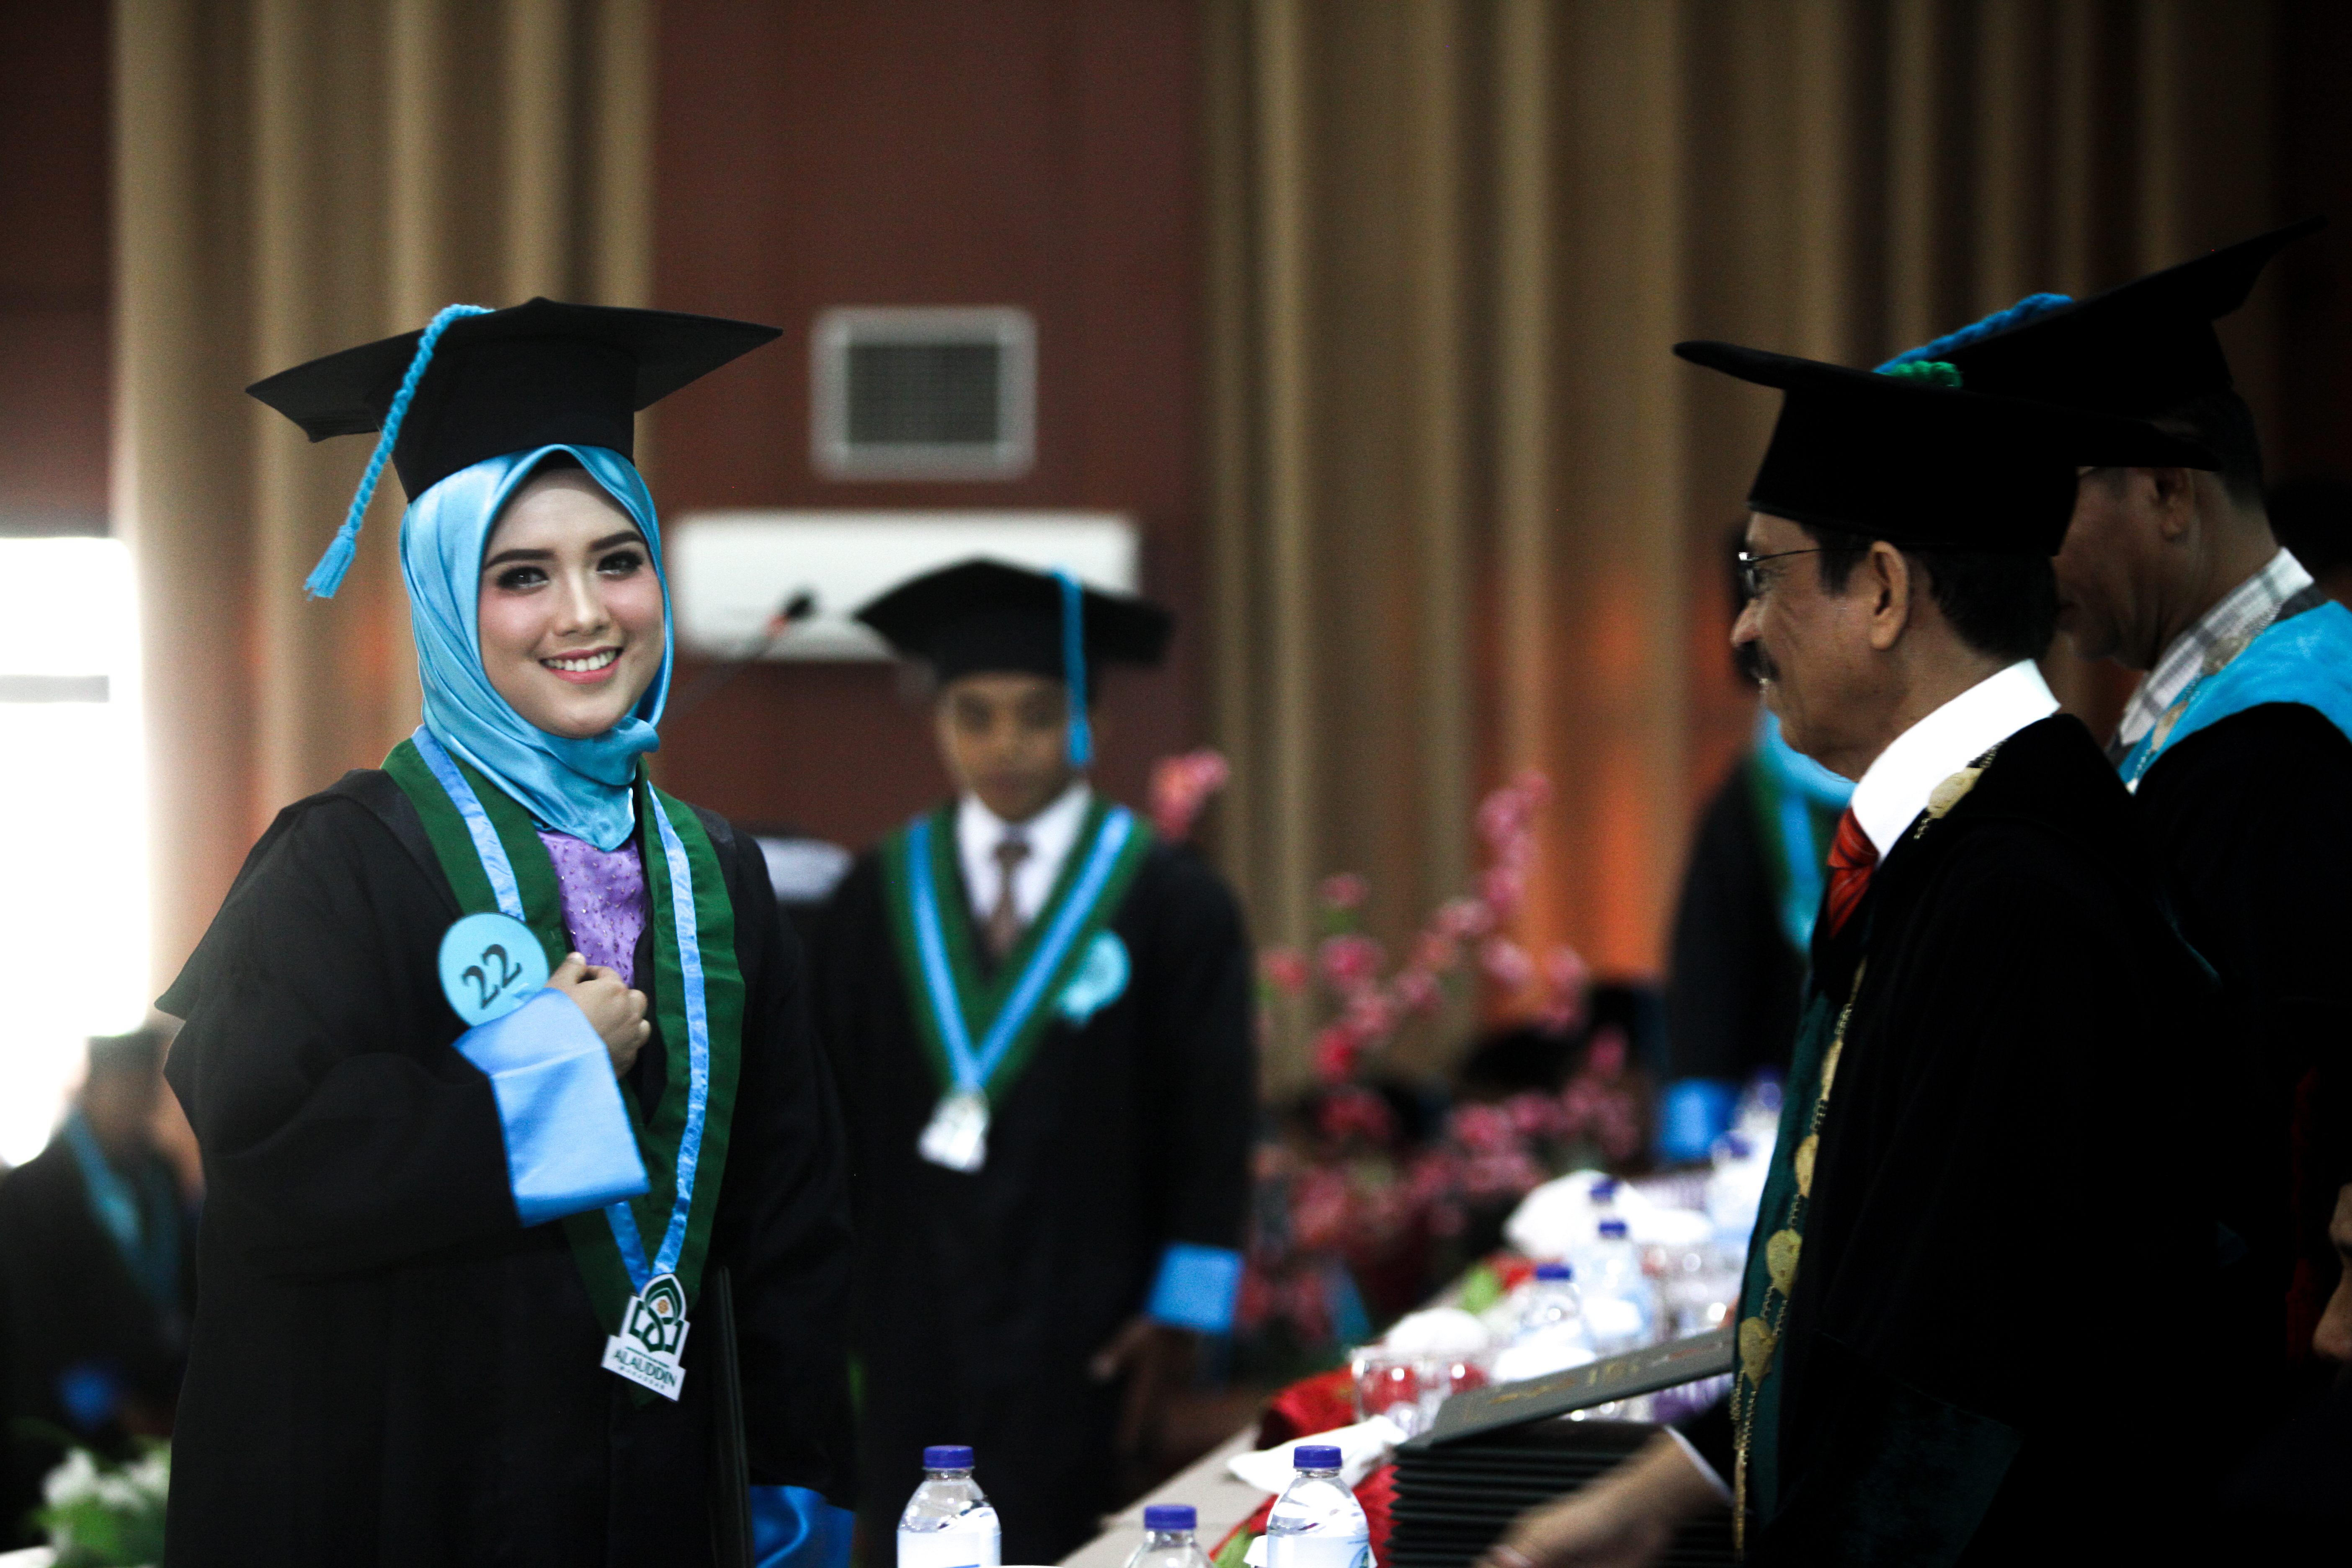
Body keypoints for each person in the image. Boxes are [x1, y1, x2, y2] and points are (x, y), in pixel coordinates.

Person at [1481, 342, 2220, 1564]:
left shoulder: (2018, 895)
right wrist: (1647, 1498)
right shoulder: (1963, 843)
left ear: (1882, 591)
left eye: (1762, 576)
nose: (1744, 626)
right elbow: (1864, 1303)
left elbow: (1945, 1404)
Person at [157, 300, 854, 1567]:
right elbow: (265, 1162)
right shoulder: (341, 860)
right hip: (413, 1494)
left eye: (617, 558)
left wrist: (801, 1479)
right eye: (521, 575)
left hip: (659, 1495)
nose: (585, 614)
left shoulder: (716, 872)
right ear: (438, 596)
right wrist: (541, 1078)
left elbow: (790, 1214)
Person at [1877, 218, 2352, 1445]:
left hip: (2233, 1401)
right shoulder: (2217, 718)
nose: (2030, 562)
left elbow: (2218, 1141)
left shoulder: (2276, 750)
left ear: (2168, 492)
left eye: (2050, 512)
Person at [812, 559, 1254, 1563]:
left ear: (1085, 718)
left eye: (1036, 713)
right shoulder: (872, 897)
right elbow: (828, 1111)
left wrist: (1181, 1315)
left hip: (1092, 1322)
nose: (1004, 742)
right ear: (937, 720)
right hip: (909, 1310)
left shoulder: (1170, 899)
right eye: (974, 713)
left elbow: (1215, 1117)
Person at [1658, 537, 1852, 1160]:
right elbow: (1710, 969)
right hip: (1774, 1113)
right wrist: (1695, 1134)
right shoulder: (1754, 793)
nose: (1747, 629)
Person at [0, 1029, 195, 1547]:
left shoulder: (159, 1172)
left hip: (160, 1415)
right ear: (96, 1087)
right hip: (68, 1428)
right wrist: (114, 1406)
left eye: (148, 1091)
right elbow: (37, 1321)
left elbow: (182, 1286)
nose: (141, 1104)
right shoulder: (33, 1189)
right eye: (128, 1088)